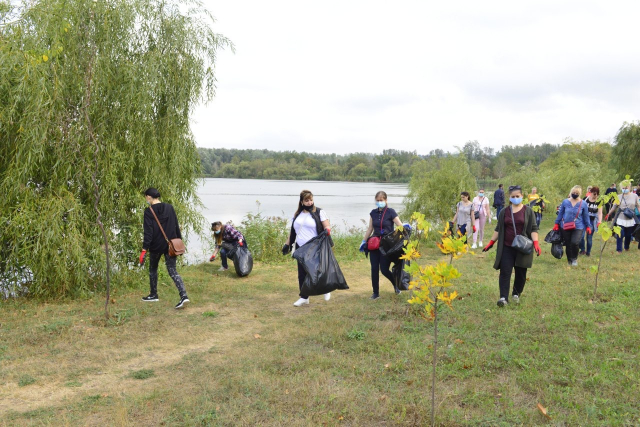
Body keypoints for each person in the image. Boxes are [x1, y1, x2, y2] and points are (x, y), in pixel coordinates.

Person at [482, 185, 540, 307]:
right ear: (509, 197)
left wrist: (536, 243)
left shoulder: (528, 211)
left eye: (517, 196)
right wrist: (491, 242)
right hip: (507, 247)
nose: (515, 198)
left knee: (521, 273)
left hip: (522, 247)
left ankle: (516, 294)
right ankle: (503, 297)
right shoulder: (504, 211)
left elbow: (534, 228)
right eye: (513, 197)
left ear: (522, 196)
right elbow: (498, 228)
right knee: (505, 272)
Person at [139, 188, 190, 309]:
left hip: (156, 246)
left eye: (146, 197)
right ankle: (184, 296)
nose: (146, 199)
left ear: (149, 197)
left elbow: (148, 232)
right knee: (173, 270)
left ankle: (153, 294)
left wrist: (144, 249)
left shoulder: (148, 211)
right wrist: (179, 242)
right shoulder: (169, 207)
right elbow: (176, 225)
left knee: (153, 269)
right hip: (170, 245)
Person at [284, 190, 331, 307]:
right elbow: (292, 232)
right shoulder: (297, 215)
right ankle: (304, 297)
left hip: (314, 246)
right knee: (302, 274)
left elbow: (327, 226)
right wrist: (287, 244)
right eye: (307, 200)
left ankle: (326, 289)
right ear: (301, 202)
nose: (310, 202)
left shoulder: (319, 212)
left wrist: (327, 231)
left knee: (316, 271)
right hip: (301, 248)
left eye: (311, 200)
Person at [360, 191, 405, 300]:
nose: (379, 202)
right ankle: (376, 293)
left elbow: (400, 225)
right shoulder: (373, 213)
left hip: (386, 245)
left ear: (386, 200)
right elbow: (370, 228)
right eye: (378, 200)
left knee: (384, 269)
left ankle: (395, 284)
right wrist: (364, 241)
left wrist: (405, 232)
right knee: (374, 269)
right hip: (374, 245)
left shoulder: (391, 212)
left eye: (381, 200)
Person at [553, 185, 591, 266]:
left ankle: (574, 258)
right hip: (565, 226)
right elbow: (561, 213)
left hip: (578, 226)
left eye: (577, 193)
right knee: (568, 243)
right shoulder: (565, 202)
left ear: (579, 194)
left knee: (575, 242)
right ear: (571, 192)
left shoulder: (583, 203)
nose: (575, 194)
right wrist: (556, 223)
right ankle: (569, 260)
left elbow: (586, 216)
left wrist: (588, 226)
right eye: (573, 192)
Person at [605, 179, 640, 253]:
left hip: (630, 218)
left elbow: (638, 206)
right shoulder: (619, 197)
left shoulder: (635, 196)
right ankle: (619, 249)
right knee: (620, 233)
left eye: (626, 188)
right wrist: (609, 213)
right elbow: (614, 206)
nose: (625, 189)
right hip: (620, 218)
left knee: (628, 235)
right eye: (623, 188)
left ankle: (626, 247)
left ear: (629, 187)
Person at [578, 186, 603, 257]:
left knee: (589, 237)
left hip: (592, 221)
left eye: (596, 194)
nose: (594, 196)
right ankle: (582, 250)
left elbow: (600, 213)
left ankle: (588, 252)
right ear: (590, 193)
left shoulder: (599, 202)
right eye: (593, 194)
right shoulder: (585, 200)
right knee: (580, 236)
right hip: (583, 221)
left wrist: (599, 222)